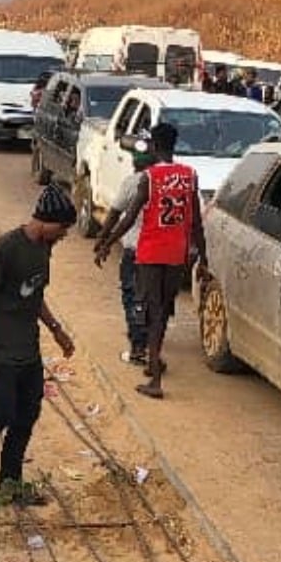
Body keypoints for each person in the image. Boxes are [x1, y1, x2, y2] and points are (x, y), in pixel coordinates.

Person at [0, 185, 77, 503]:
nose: (64, 235)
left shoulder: (44, 248)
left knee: (27, 415)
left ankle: (9, 483)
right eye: (62, 228)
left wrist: (56, 330)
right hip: (1, 347)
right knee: (4, 410)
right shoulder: (6, 247)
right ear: (48, 221)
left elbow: (33, 294)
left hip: (28, 348)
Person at [93, 123, 207, 399]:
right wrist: (203, 256)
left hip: (151, 253)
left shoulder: (150, 178)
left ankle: (155, 377)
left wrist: (105, 243)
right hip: (176, 254)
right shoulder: (189, 176)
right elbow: (195, 223)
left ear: (154, 146)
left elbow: (129, 217)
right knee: (164, 310)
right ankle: (154, 361)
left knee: (149, 311)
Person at [96, 139, 153, 364]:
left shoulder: (132, 183)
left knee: (132, 296)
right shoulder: (170, 182)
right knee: (155, 299)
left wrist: (104, 241)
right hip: (165, 253)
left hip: (136, 249)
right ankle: (152, 344)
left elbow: (116, 214)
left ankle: (138, 347)